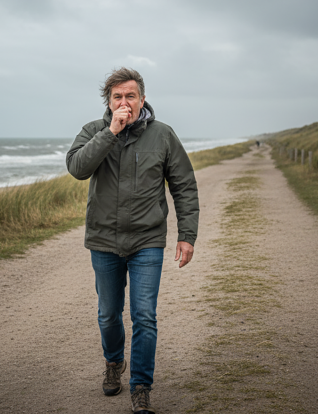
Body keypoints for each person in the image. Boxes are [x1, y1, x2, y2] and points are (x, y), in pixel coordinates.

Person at [67, 67, 199, 414]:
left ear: (142, 99)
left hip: (147, 241)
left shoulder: (163, 135)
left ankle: (141, 386)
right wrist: (110, 132)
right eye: (117, 97)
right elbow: (78, 168)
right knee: (109, 314)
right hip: (103, 240)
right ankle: (114, 363)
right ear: (108, 103)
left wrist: (187, 236)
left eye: (130, 96)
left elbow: (184, 186)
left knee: (144, 315)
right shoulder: (94, 131)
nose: (124, 102)